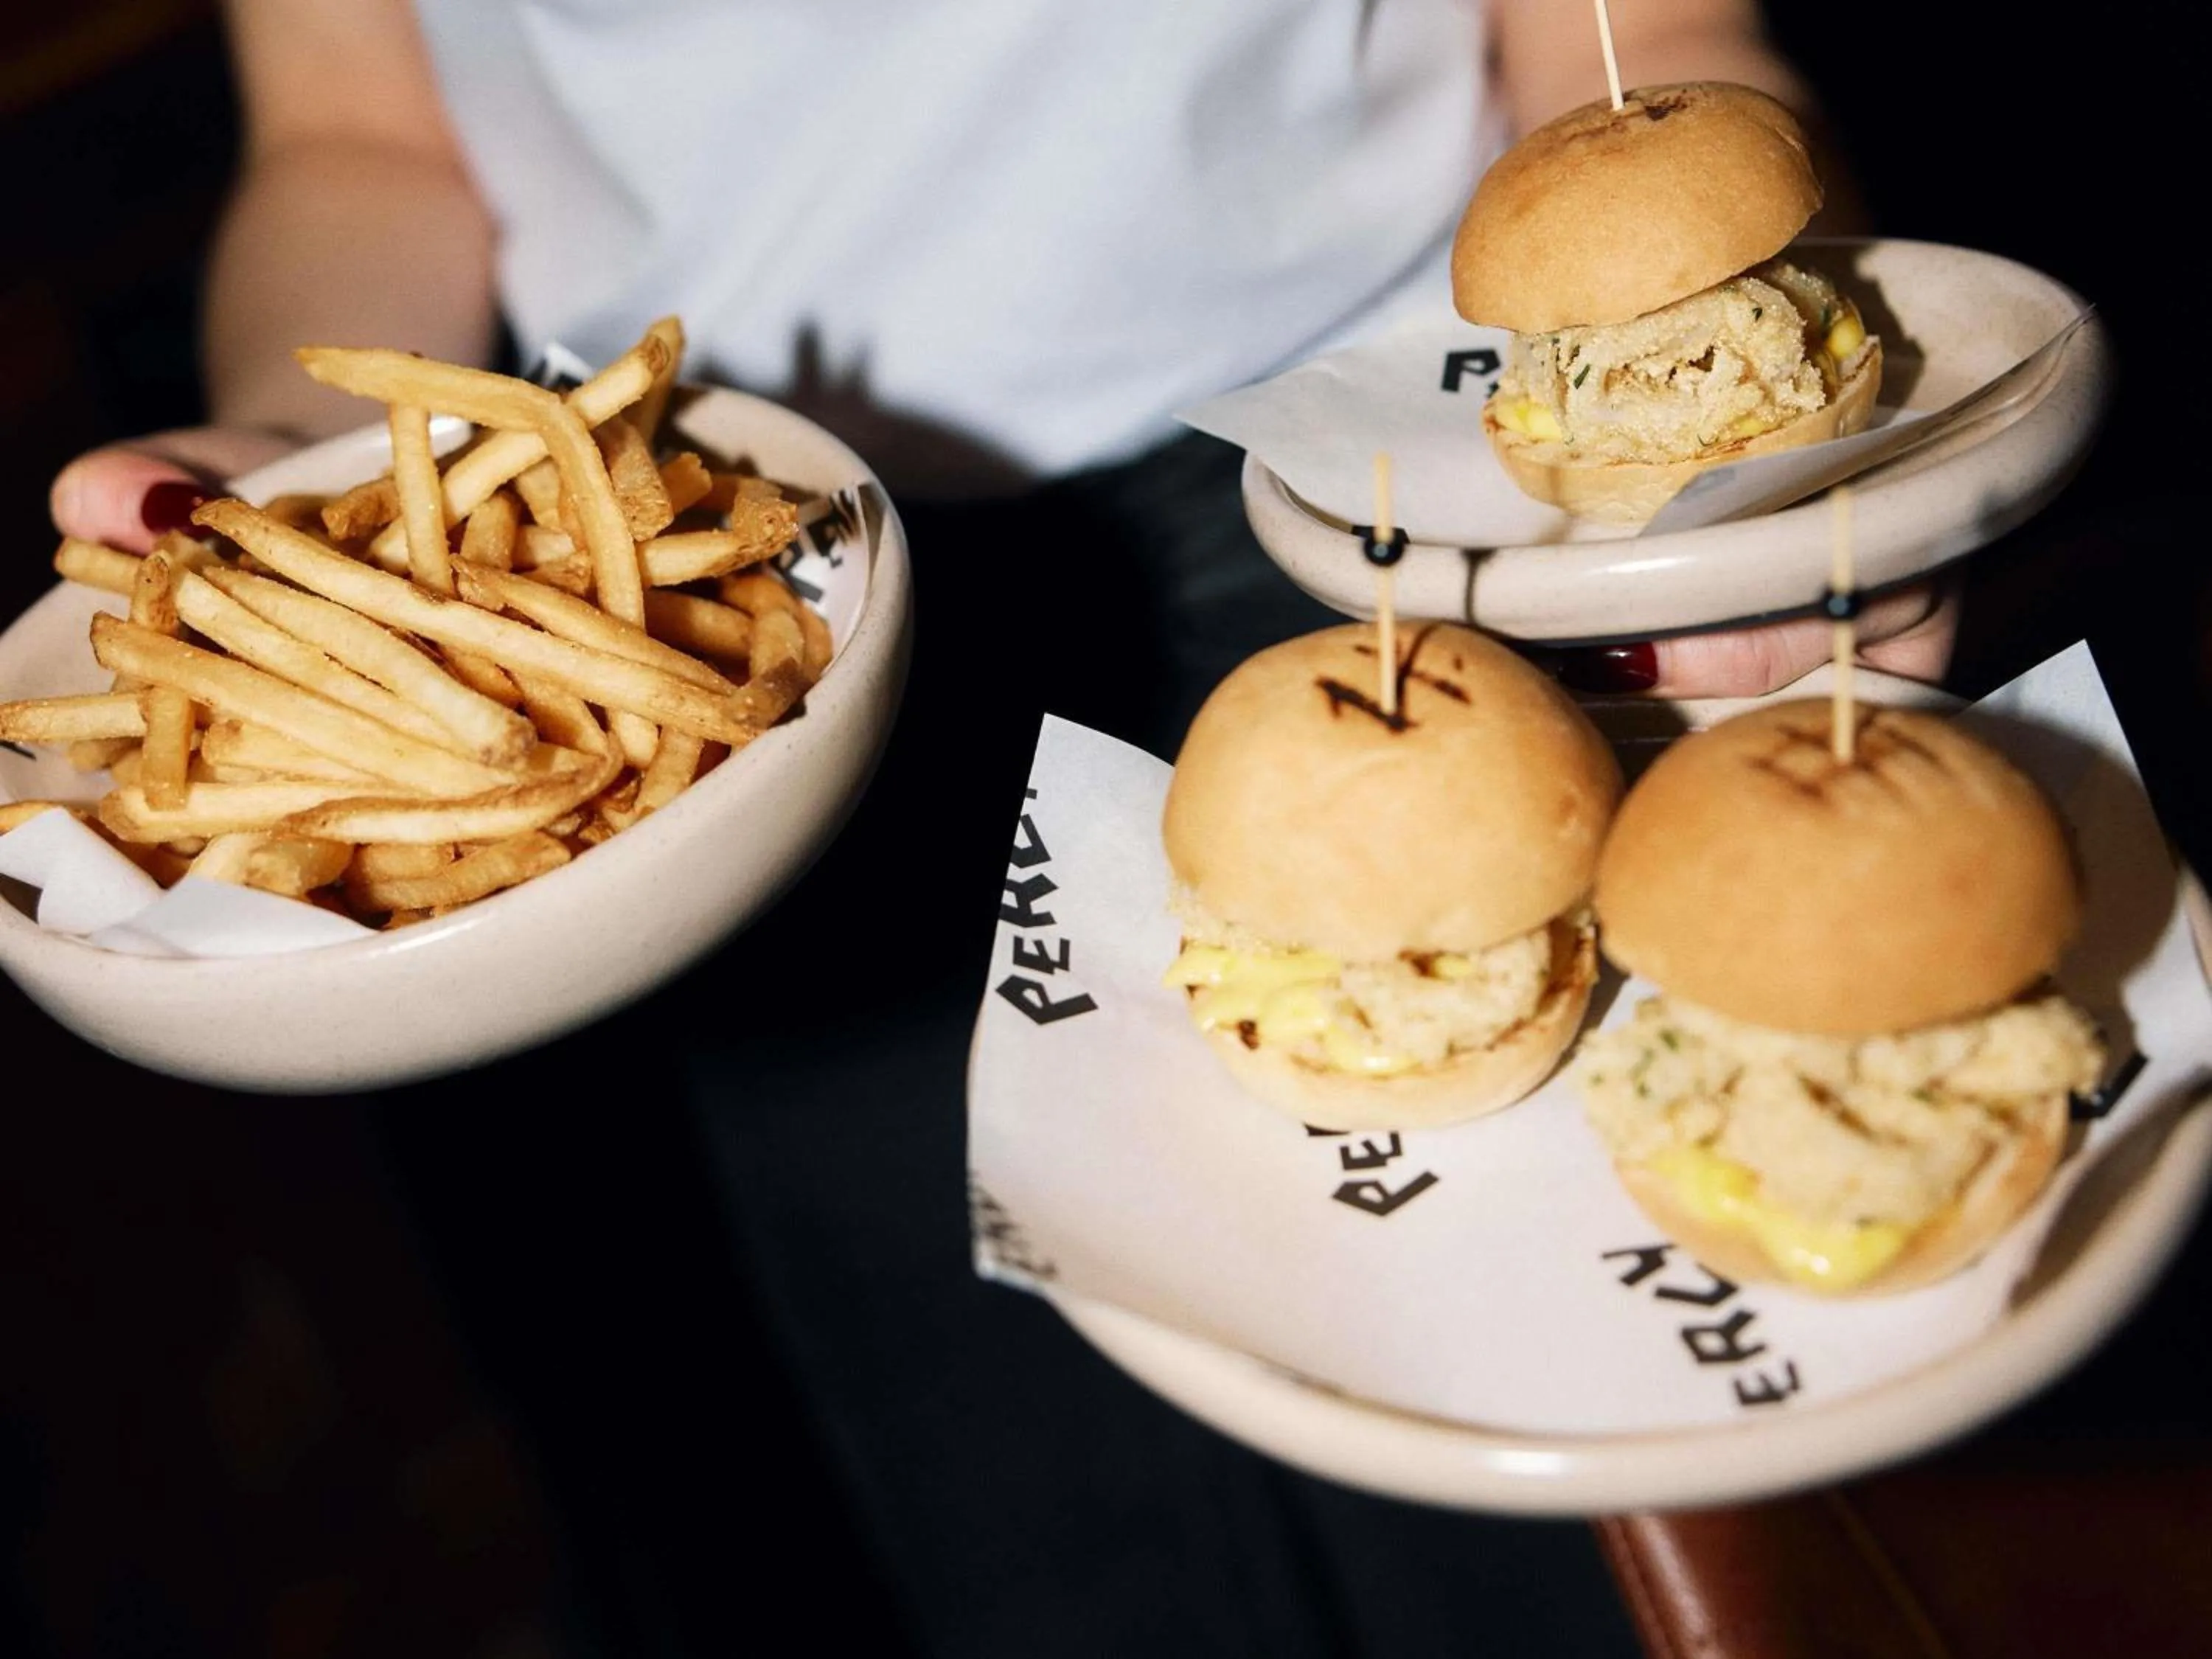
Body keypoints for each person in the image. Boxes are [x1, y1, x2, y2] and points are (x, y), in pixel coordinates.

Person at [41, 3, 1954, 1653]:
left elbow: (1640, 51)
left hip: (1396, 509)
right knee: (1063, 1561)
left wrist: (1774, 463)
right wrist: (279, 484)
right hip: (719, 656)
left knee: (1573, 1509)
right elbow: (357, 135)